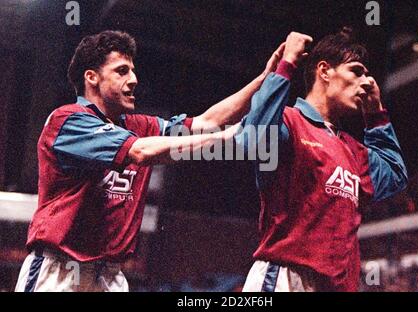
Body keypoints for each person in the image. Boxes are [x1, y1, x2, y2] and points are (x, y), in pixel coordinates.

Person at [14, 30, 284, 292]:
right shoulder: (68, 120)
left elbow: (207, 122)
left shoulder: (140, 125)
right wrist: (235, 134)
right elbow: (140, 151)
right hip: (59, 270)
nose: (133, 80)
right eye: (122, 71)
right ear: (91, 77)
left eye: (132, 70)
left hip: (110, 275)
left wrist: (263, 79)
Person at [238, 28, 408, 292]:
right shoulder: (289, 123)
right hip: (286, 278)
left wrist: (375, 115)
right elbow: (252, 139)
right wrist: (286, 66)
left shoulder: (353, 150)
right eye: (356, 71)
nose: (367, 81)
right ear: (325, 71)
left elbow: (395, 174)